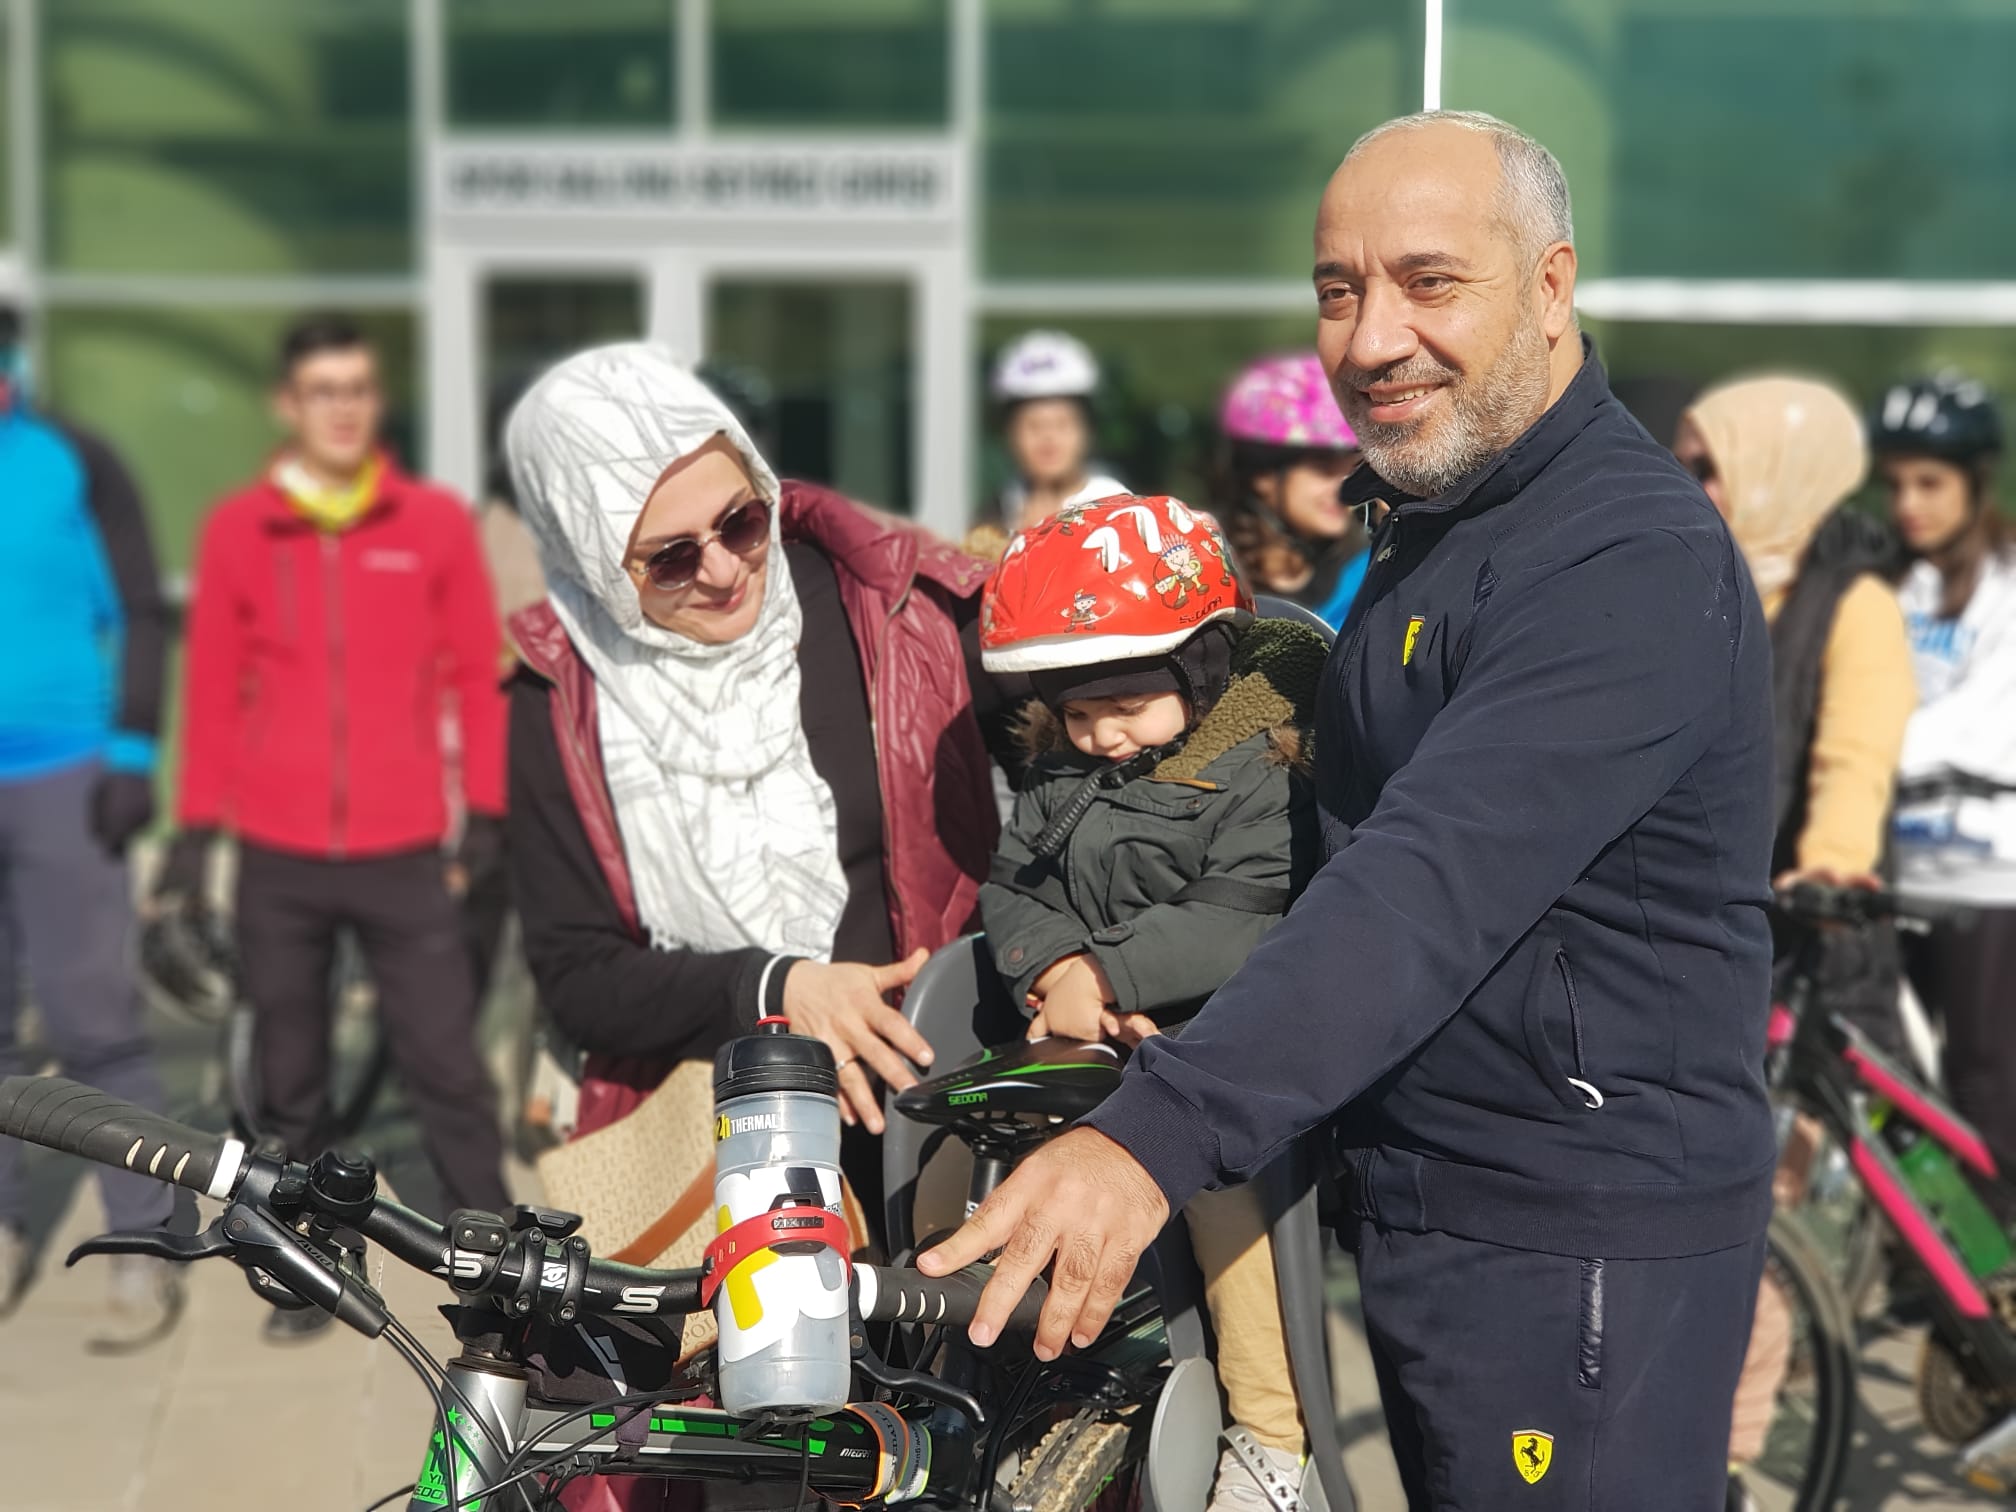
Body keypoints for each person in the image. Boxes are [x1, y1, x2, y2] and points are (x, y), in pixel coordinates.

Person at [923, 110, 1779, 1511]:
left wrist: (1153, 1137)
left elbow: (1426, 882)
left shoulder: (1624, 557)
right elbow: (1313, 836)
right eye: (1339, 289)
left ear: (1550, 287)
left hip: (1572, 1243)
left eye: (1429, 281)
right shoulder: (1438, 522)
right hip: (1441, 1209)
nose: (1373, 338)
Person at [501, 343, 1013, 1231]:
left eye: (740, 521)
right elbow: (578, 975)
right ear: (594, 563)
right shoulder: (557, 697)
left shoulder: (897, 609)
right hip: (718, 1149)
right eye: (669, 559)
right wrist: (773, 989)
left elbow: (1084, 764)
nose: (725, 569)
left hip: (946, 1115)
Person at [156, 314, 511, 1326]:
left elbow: (474, 676)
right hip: (279, 852)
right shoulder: (240, 529)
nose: (343, 408)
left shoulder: (431, 524)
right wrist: (192, 837)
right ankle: (311, 1265)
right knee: (291, 1079)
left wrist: (486, 814)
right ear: (289, 404)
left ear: (375, 398)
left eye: (357, 388)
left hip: (405, 850)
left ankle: (500, 1270)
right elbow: (215, 692)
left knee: (446, 1066)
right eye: (323, 391)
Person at [978, 494, 1327, 1511]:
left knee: (1228, 1216)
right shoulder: (1063, 774)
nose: (1101, 734)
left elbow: (1241, 913)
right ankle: (1007, 1384)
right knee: (973, 1156)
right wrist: (1050, 967)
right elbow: (1014, 885)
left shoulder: (1260, 771)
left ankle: (1272, 1438)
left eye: (1127, 705)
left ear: (1201, 671)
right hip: (1085, 1034)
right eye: (1078, 713)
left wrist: (1110, 976)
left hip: (1220, 1052)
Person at [1674, 376, 1917, 1508]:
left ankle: (1724, 1466)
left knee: (1752, 1237)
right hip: (1702, 942)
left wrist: (1831, 863)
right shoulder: (1689, 579)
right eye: (1681, 462)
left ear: (1779, 475)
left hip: (1807, 946)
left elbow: (1854, 760)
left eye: (1708, 467)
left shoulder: (1850, 605)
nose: (1689, 485)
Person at [0, 303, 182, 1342]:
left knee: (94, 1024)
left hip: (63, 777)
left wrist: (133, 752)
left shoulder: (77, 459)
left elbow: (141, 611)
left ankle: (142, 1240)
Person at [1871, 373, 2016, 1184]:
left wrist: (1854, 743)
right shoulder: (1891, 582)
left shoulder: (2006, 583)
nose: (1909, 505)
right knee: (1895, 1081)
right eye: (1895, 484)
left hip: (1988, 875)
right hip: (1898, 869)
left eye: (1930, 483)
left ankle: (1996, 1248)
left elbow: (1974, 726)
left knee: (1986, 1079)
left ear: (1975, 481)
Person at [1215, 353, 1369, 626]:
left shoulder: (1369, 575)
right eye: (1324, 469)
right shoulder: (1205, 576)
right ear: (1263, 475)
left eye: (1353, 468)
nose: (1346, 486)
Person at [983, 330, 1129, 541]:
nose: (1048, 438)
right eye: (1033, 426)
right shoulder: (996, 515)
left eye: (1062, 424)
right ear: (1009, 434)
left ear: (1087, 430)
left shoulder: (1119, 508)